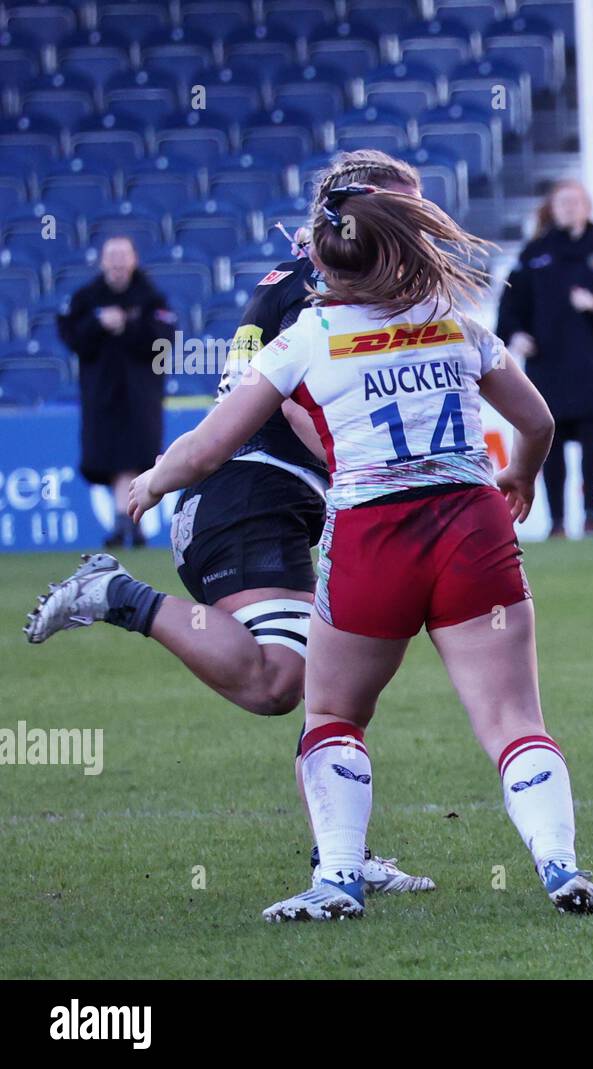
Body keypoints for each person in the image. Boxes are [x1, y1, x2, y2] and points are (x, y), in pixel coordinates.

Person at [126, 156, 593, 919]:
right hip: (472, 529)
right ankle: (561, 865)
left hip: (373, 540)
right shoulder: (459, 324)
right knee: (515, 721)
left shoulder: (306, 338)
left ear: (323, 255)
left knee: (331, 716)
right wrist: (520, 476)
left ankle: (339, 880)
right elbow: (540, 421)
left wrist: (155, 481)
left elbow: (209, 446)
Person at [26, 151, 435, 896]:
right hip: (247, 495)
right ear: (363, 208)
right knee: (279, 680)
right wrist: (367, 465)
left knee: (335, 687)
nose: (420, 222)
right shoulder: (320, 288)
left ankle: (338, 854)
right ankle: (120, 594)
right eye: (406, 208)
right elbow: (292, 405)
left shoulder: (316, 274)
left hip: (268, 496)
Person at [496, 179, 593, 538]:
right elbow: (510, 303)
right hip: (548, 366)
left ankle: (592, 517)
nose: (568, 208)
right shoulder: (536, 252)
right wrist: (515, 334)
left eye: (575, 202)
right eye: (562, 203)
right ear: (552, 208)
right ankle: (556, 522)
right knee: (549, 443)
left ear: (586, 206)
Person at [58, 236, 175, 548]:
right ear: (102, 261)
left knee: (135, 458)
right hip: (100, 397)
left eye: (124, 255)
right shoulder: (86, 298)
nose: (119, 263)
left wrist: (126, 326)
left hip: (141, 396)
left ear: (134, 259)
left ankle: (126, 522)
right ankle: (127, 522)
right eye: (113, 256)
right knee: (110, 460)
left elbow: (164, 338)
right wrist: (99, 324)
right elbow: (71, 336)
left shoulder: (151, 298)